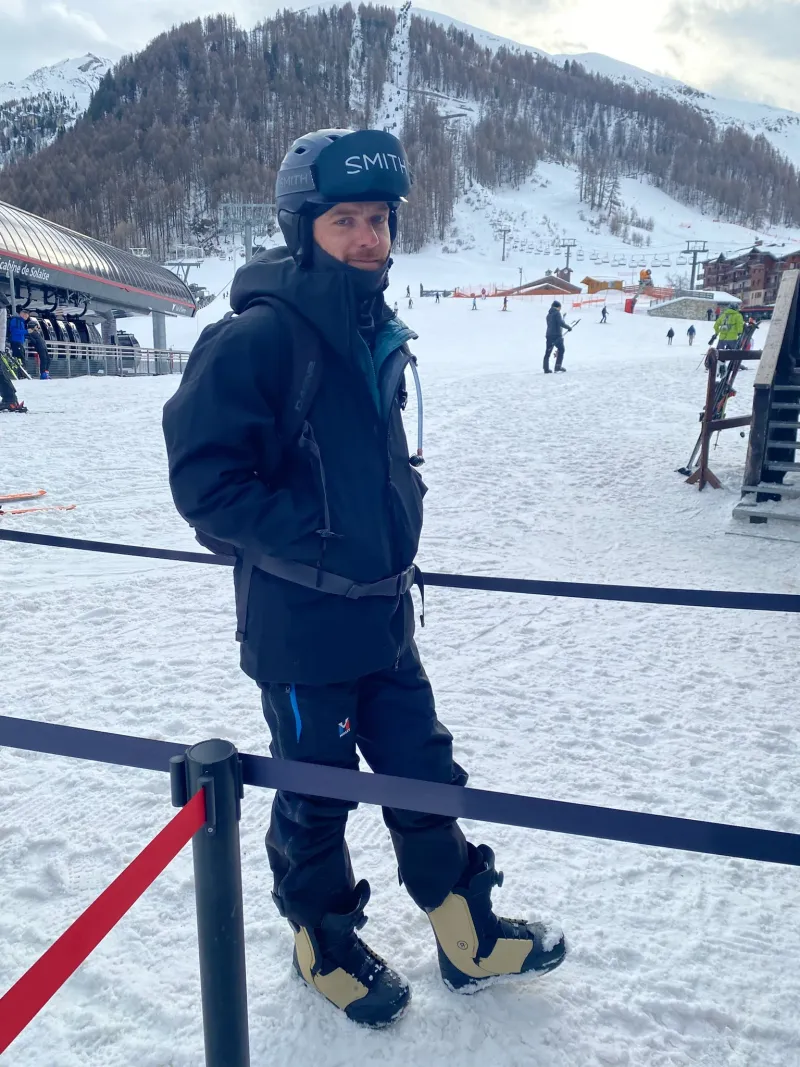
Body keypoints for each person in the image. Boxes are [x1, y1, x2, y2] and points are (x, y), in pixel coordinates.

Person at [163, 127, 565, 1029]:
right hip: (302, 629)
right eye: (345, 219)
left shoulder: (372, 325)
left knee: (423, 768)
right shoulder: (259, 338)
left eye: (378, 219)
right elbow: (204, 483)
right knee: (317, 792)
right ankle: (323, 940)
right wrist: (316, 537)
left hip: (383, 614)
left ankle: (465, 929)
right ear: (303, 227)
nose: (368, 237)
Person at [543, 300, 571, 373]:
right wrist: (568, 327)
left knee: (547, 352)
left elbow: (552, 325)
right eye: (560, 307)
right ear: (558, 307)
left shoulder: (548, 315)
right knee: (561, 349)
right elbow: (561, 323)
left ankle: (546, 369)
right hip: (556, 336)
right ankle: (558, 367)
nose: (560, 309)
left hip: (549, 335)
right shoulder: (557, 313)